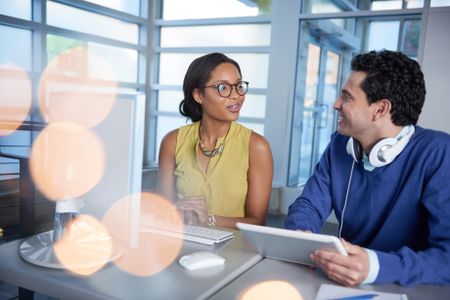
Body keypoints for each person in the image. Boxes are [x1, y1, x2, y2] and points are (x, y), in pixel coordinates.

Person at [285, 50, 450, 286]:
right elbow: (309, 204)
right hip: (344, 282)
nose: (336, 104)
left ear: (380, 109)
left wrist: (375, 266)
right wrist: (301, 236)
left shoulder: (439, 152)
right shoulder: (340, 145)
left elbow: (447, 257)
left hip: (411, 287)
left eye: (347, 97)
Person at [158, 53, 273, 229]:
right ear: (199, 95)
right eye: (223, 88)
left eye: (239, 86)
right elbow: (164, 211)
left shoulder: (257, 147)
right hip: (182, 243)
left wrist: (209, 219)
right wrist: (173, 210)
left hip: (237, 251)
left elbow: (258, 221)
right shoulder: (172, 142)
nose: (236, 96)